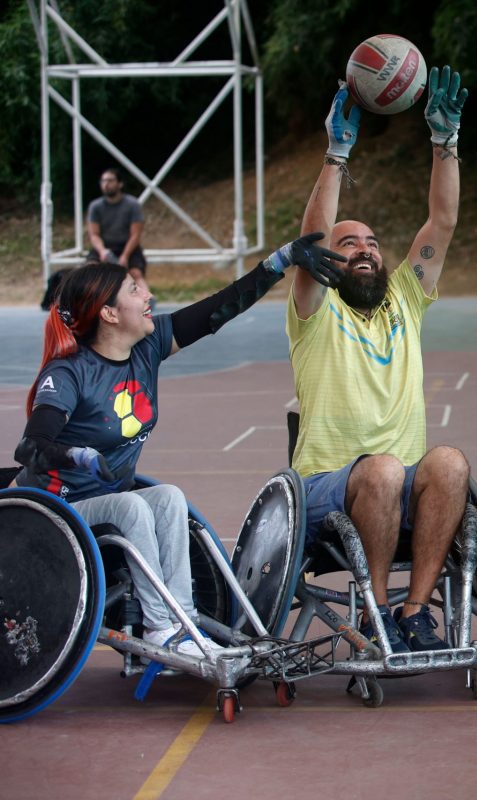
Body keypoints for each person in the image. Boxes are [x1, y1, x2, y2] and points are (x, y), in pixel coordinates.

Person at [13, 235, 344, 658]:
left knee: (169, 497)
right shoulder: (68, 374)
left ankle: (184, 625)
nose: (148, 295)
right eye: (135, 290)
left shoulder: (147, 348)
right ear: (109, 314)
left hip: (108, 501)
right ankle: (158, 629)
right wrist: (79, 456)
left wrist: (279, 262)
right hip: (55, 512)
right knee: (132, 507)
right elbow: (30, 447)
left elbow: (219, 309)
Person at [286, 68, 470, 655]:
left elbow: (442, 222)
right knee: (385, 470)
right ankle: (377, 614)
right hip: (325, 488)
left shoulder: (404, 300)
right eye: (349, 244)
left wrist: (444, 142)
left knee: (449, 463)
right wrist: (336, 155)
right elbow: (310, 241)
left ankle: (415, 613)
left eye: (371, 243)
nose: (364, 249)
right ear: (329, 261)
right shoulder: (317, 311)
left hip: (400, 484)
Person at [87, 168, 150, 296]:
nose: (106, 184)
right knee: (90, 271)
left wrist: (125, 256)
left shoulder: (133, 204)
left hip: (128, 247)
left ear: (120, 184)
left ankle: (146, 300)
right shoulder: (95, 206)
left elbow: (135, 235)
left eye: (110, 180)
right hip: (104, 247)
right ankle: (90, 301)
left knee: (135, 273)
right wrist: (102, 251)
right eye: (103, 181)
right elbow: (94, 235)